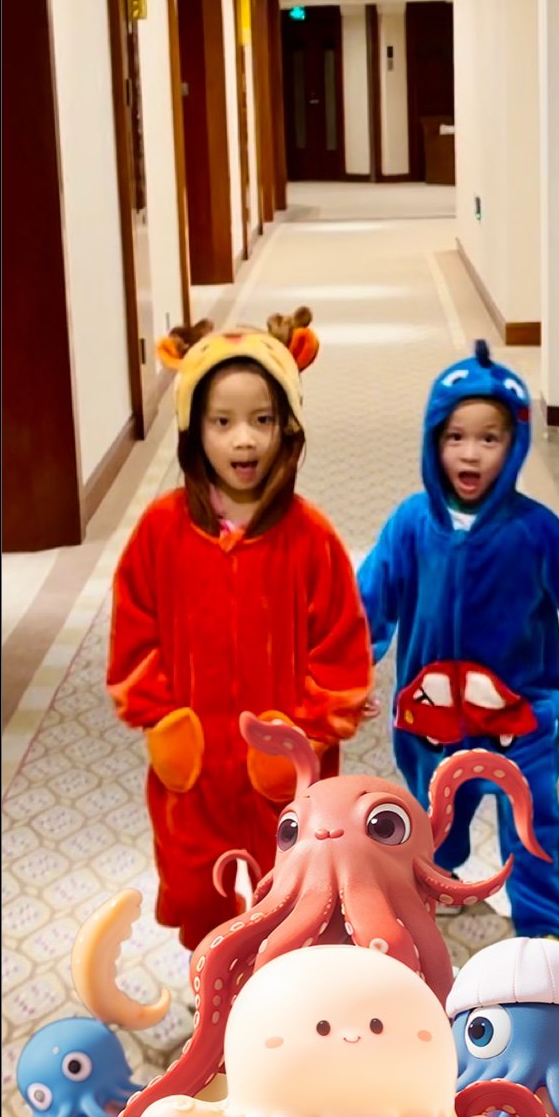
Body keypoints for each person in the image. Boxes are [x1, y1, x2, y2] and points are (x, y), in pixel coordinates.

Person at [357, 341, 559, 940]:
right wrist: (350, 669)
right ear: (433, 442)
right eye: (455, 437)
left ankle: (542, 922)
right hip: (430, 718)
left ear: (514, 444)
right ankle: (436, 883)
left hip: (521, 716)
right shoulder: (411, 525)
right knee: (434, 816)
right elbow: (368, 601)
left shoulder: (534, 530)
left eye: (489, 439)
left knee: (532, 820)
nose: (470, 452)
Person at [107, 307, 373, 951]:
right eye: (221, 422)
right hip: (195, 770)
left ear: (288, 428)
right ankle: (213, 986)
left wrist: (300, 739)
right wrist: (164, 722)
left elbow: (342, 657)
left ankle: (286, 994)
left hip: (286, 778)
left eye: (262, 420)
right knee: (204, 892)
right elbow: (133, 635)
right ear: (193, 430)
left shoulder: (311, 538)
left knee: (295, 892)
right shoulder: (160, 531)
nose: (243, 441)